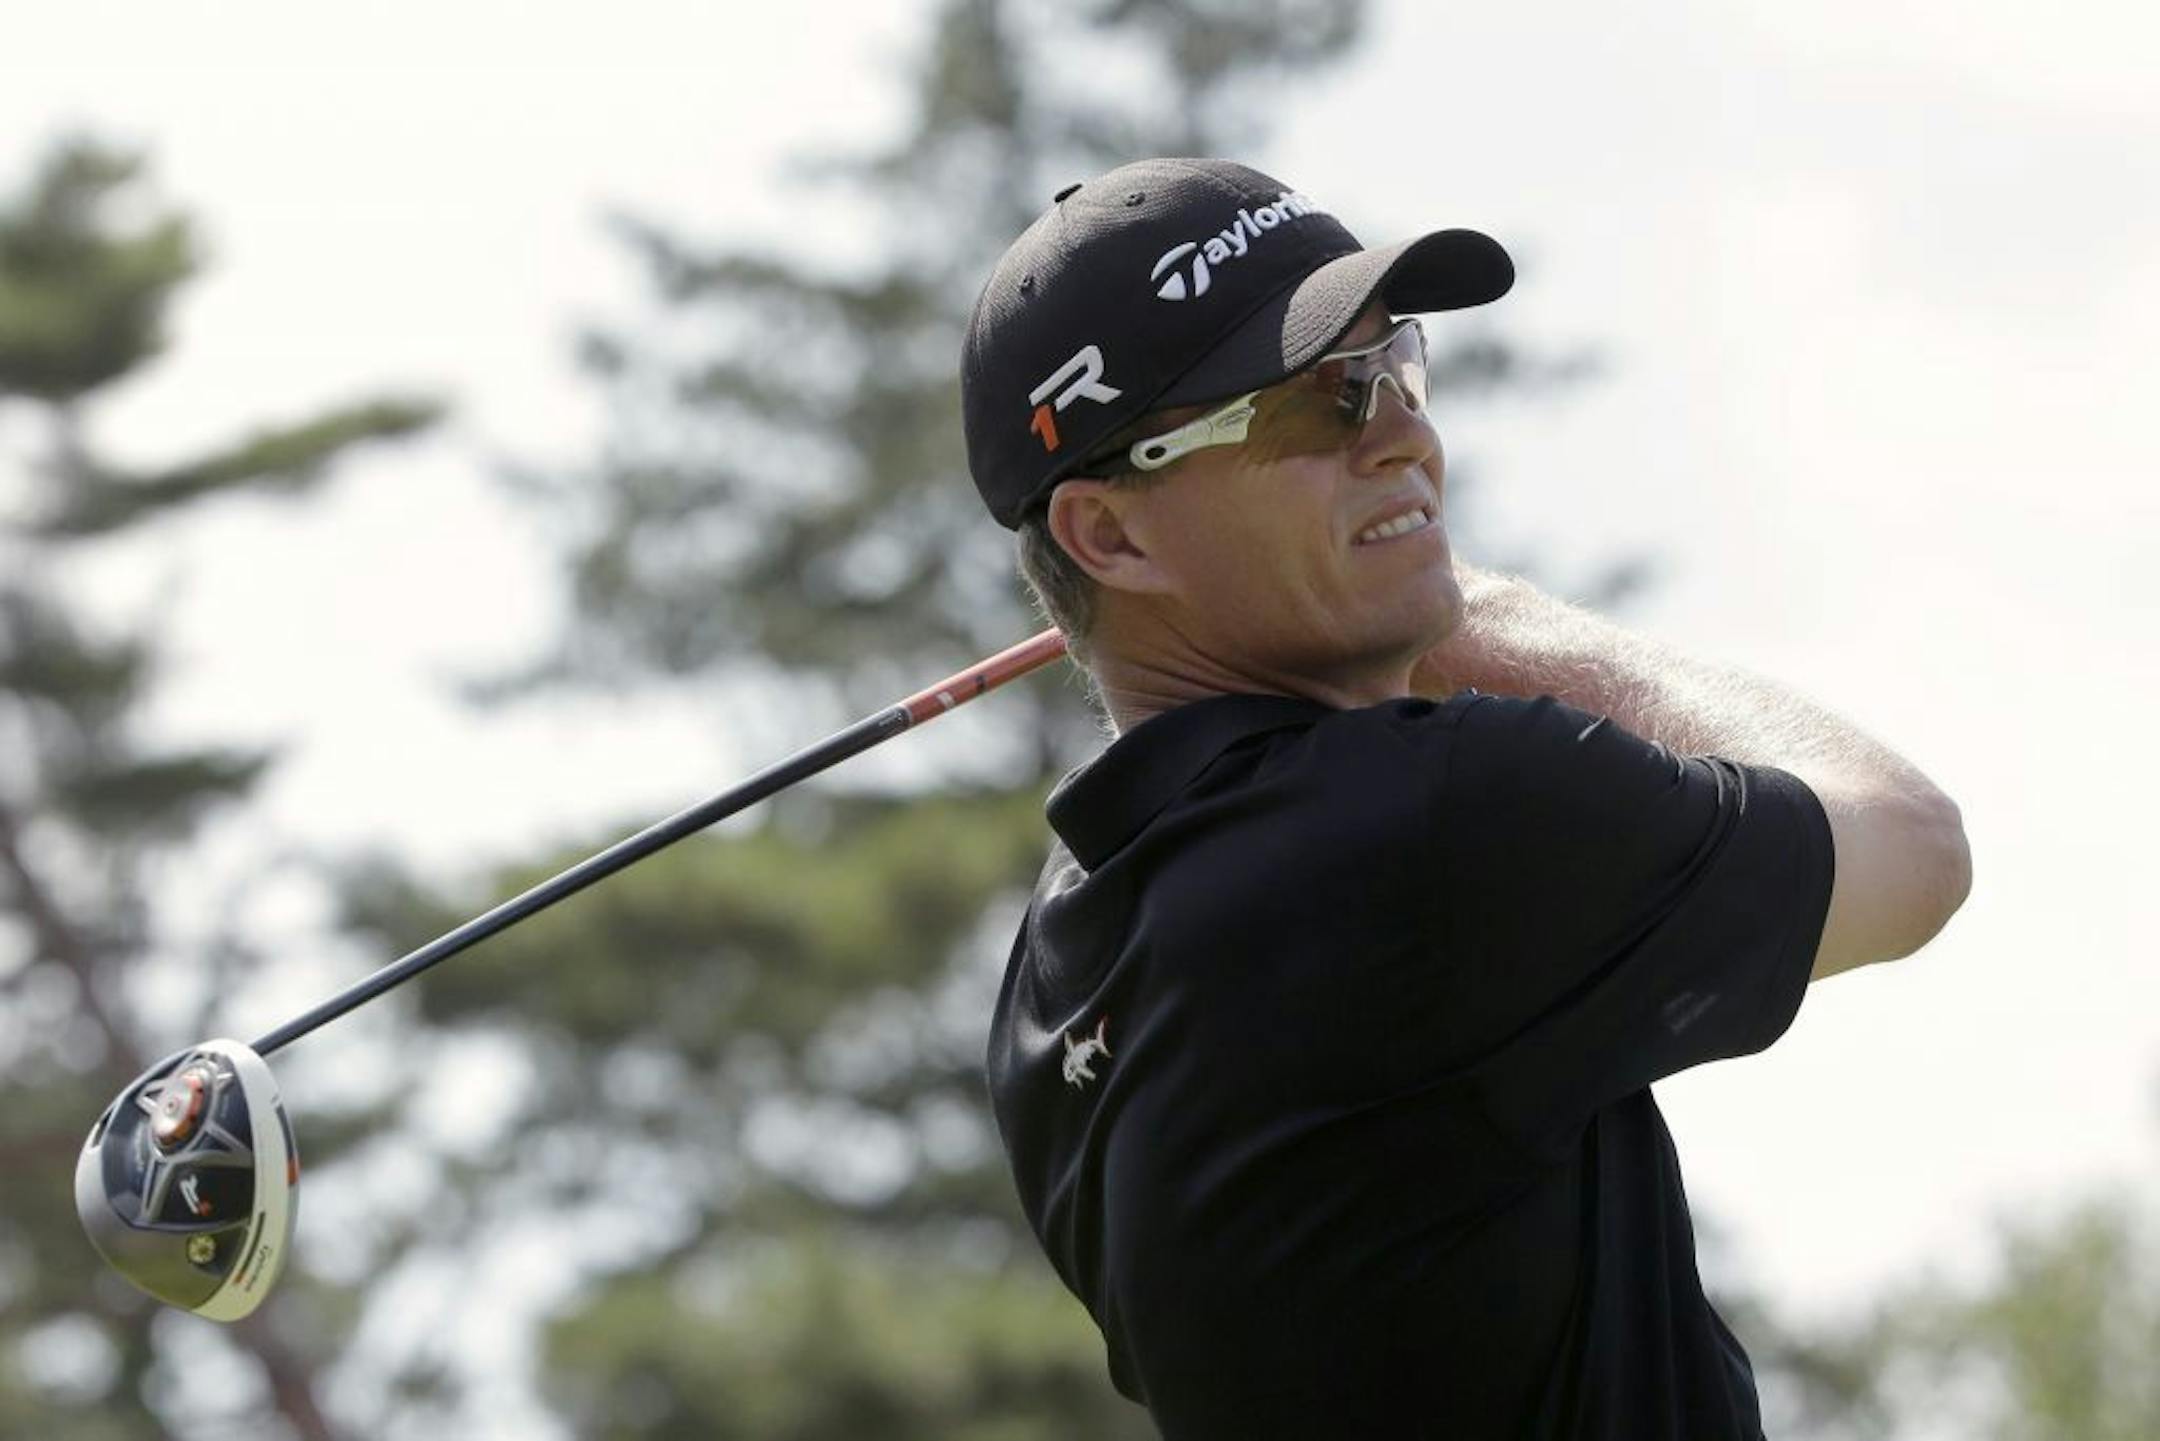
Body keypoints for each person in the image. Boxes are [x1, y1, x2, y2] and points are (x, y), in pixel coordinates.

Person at [958, 158, 1972, 1439]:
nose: (1402, 434)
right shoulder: (1426, 824)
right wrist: (1489, 613)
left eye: (1398, 369)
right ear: (1112, 537)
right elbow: (1910, 844)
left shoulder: (1054, 978)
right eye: (1319, 403)